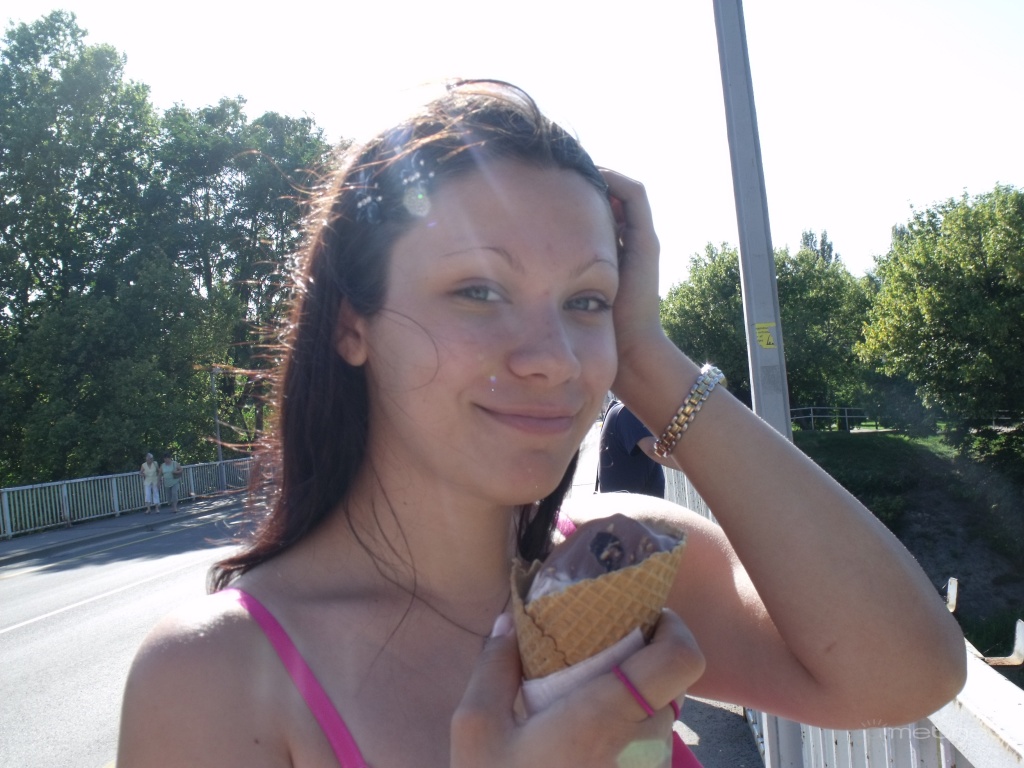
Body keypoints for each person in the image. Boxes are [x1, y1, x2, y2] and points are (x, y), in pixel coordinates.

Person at [117, 80, 965, 768]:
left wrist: (645, 357)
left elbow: (911, 673)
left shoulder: (622, 564)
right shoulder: (217, 677)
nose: (555, 359)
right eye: (478, 290)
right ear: (351, 324)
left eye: (586, 301)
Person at [597, 399, 677, 497]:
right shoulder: (629, 413)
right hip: (628, 505)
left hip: (629, 502)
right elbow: (656, 451)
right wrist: (694, 467)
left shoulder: (622, 409)